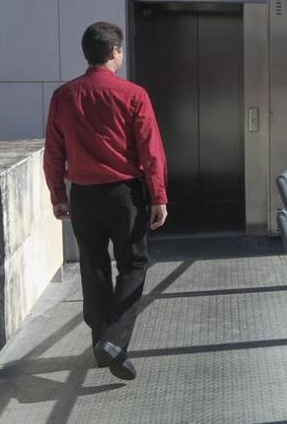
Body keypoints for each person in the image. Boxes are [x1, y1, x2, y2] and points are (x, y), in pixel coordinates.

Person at [44, 22, 168, 381]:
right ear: (115, 51)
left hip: (83, 195)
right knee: (133, 265)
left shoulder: (63, 96)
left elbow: (54, 151)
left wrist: (58, 194)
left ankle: (103, 342)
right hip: (124, 195)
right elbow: (151, 151)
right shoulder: (133, 94)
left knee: (94, 267)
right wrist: (159, 195)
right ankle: (114, 340)